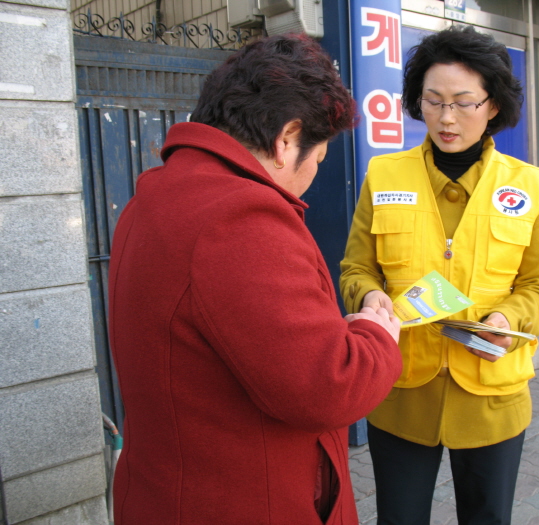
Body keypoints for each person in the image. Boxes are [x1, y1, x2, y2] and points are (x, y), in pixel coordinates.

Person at [108, 34, 403, 525]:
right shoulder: (240, 220)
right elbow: (329, 387)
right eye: (319, 158)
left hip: (167, 491)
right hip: (243, 502)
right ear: (287, 139)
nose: (311, 175)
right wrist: (375, 335)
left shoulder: (154, 197)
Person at [340, 26, 539, 525]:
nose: (446, 117)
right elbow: (357, 266)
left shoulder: (528, 185)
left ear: (493, 106)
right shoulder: (385, 176)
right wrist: (370, 296)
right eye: (433, 101)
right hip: (402, 395)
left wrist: (509, 318)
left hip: (492, 399)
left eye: (463, 102)